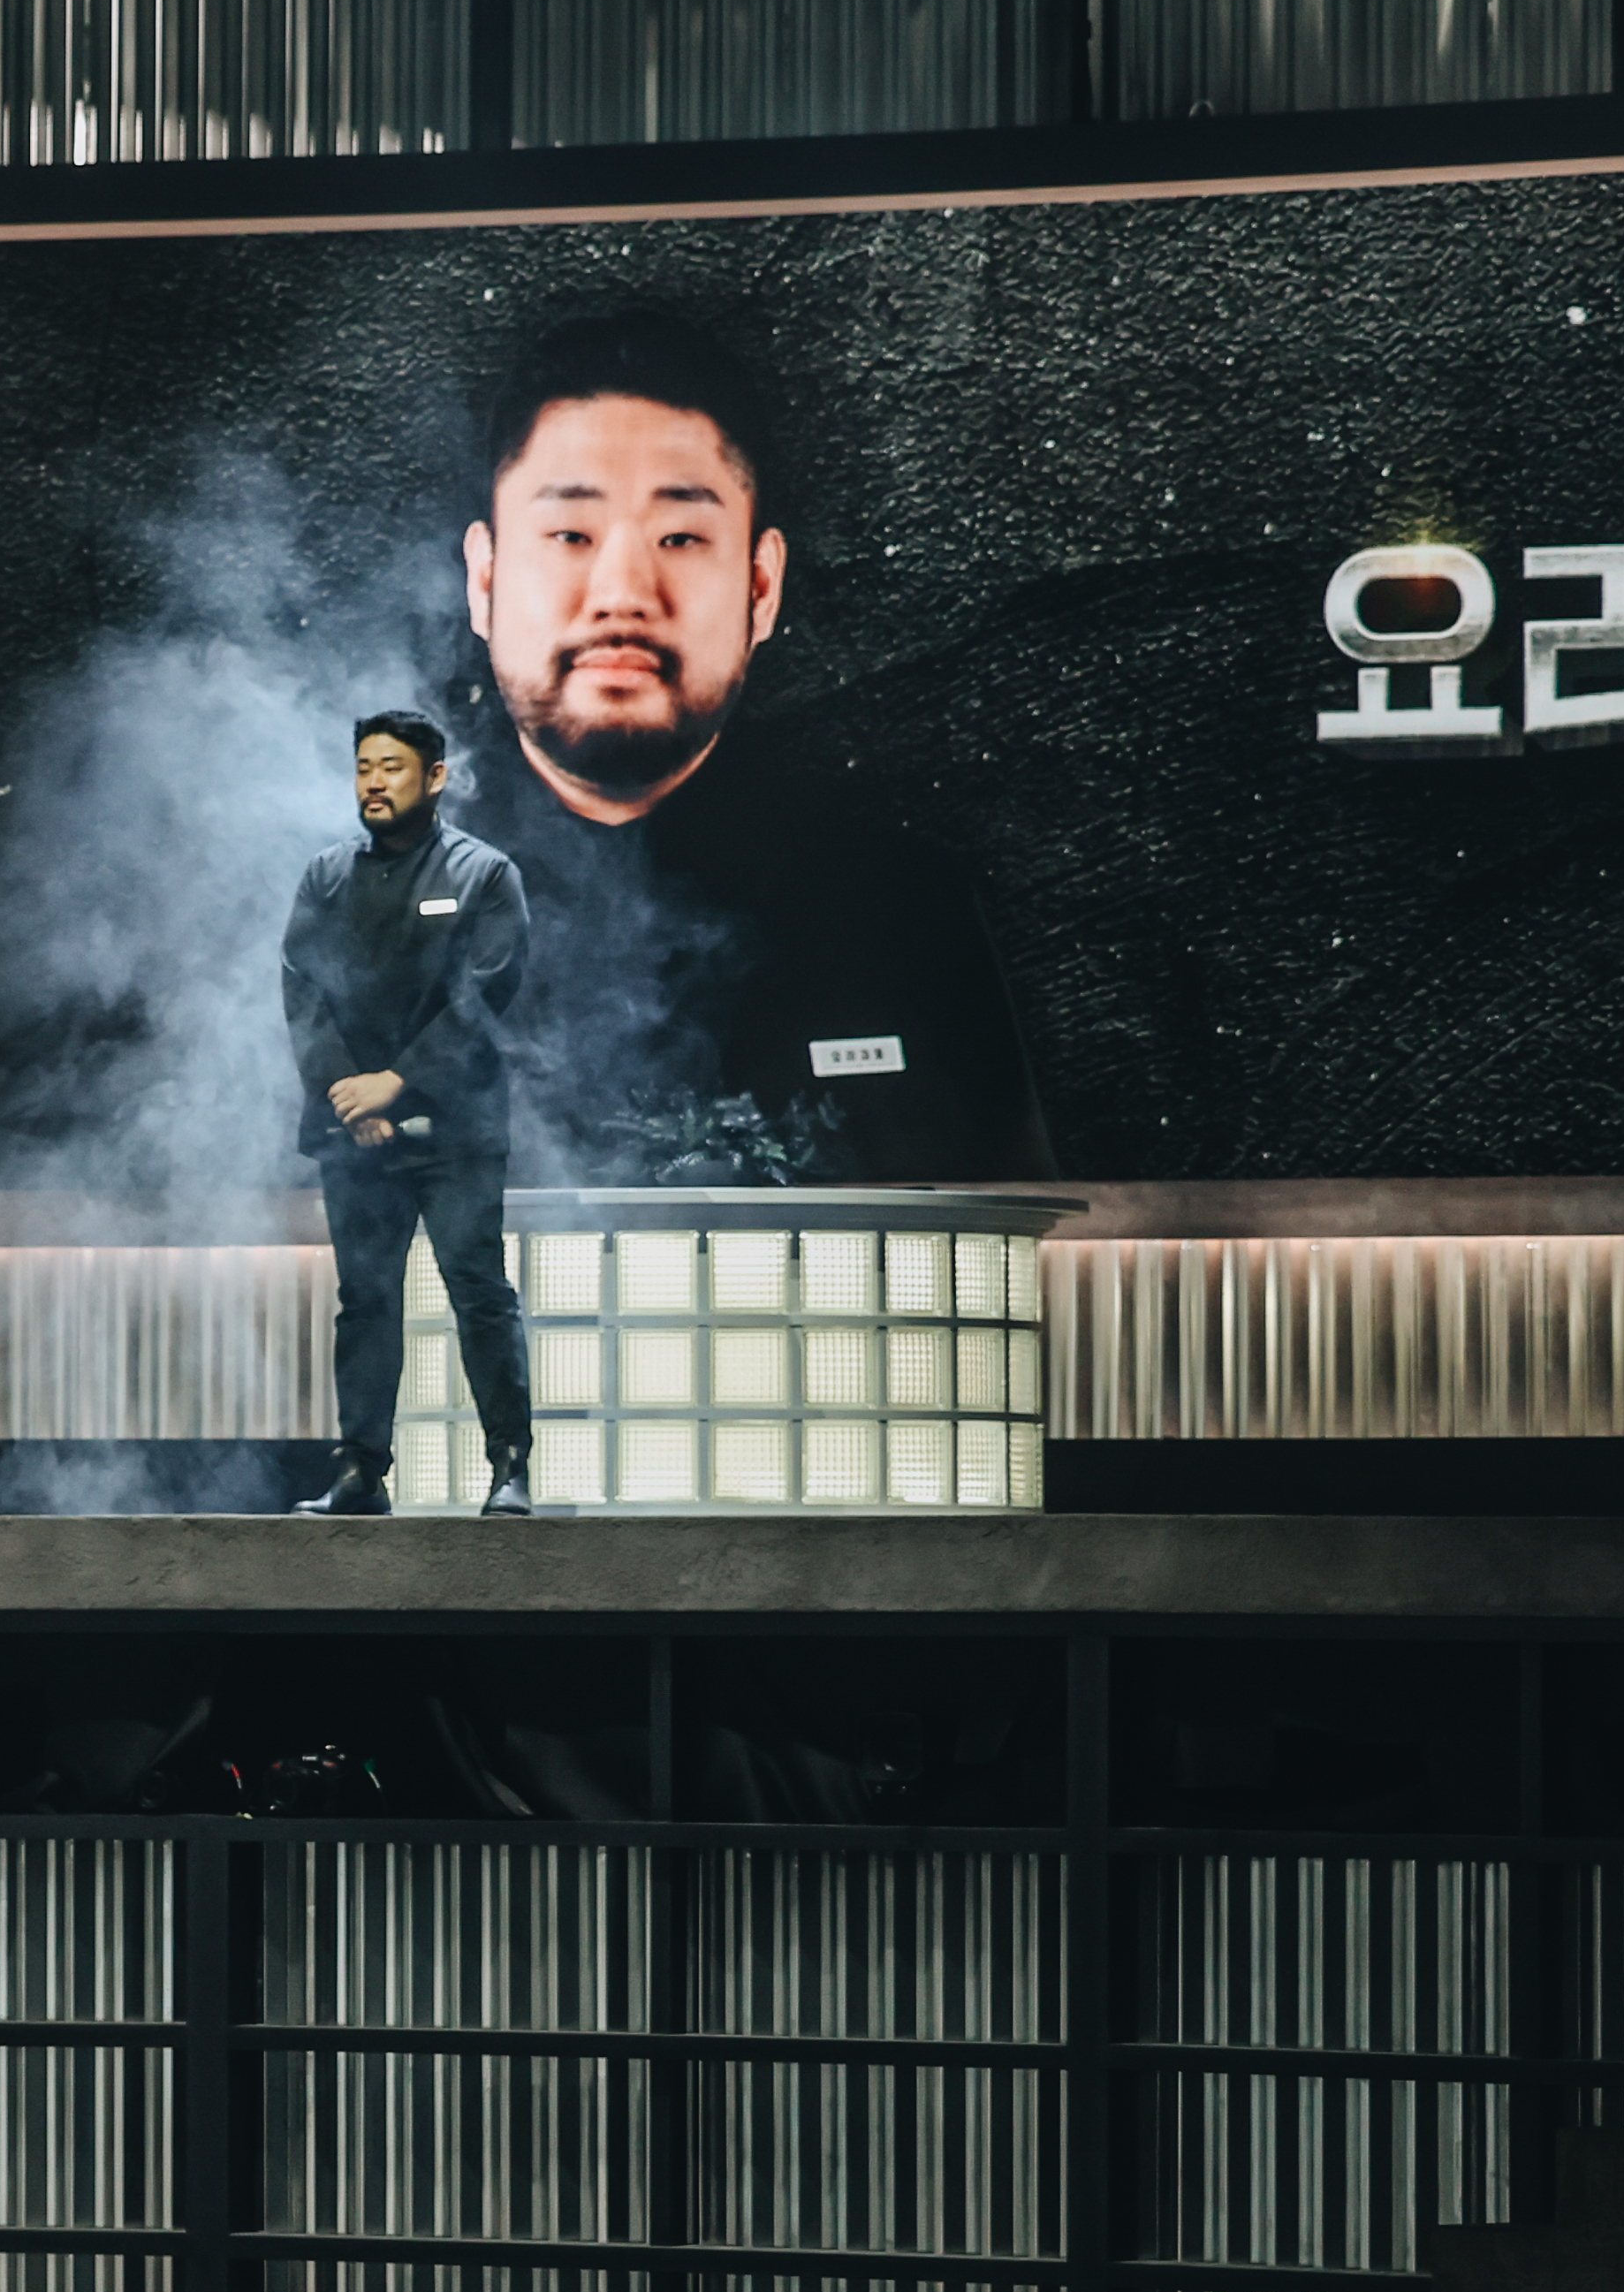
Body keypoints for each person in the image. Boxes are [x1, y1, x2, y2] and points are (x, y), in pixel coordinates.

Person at [457, 308, 1058, 1180]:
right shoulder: (359, 917)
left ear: (762, 586)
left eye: (680, 537)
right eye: (571, 535)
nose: (623, 591)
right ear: (484, 580)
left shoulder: (902, 912)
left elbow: (1003, 1259)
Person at [280, 708, 537, 1517]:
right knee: (365, 1298)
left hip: (458, 1128)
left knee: (478, 1289)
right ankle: (361, 1471)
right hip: (355, 1128)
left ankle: (509, 1467)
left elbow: (486, 996)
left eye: (391, 767)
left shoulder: (485, 874)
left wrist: (398, 1082)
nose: (373, 783)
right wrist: (349, 1095)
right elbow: (301, 988)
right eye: (363, 767)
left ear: (436, 777)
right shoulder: (327, 875)